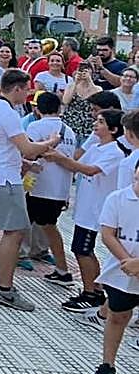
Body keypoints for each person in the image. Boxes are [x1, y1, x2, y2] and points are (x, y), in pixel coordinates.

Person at [0, 68, 64, 313]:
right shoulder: (9, 113)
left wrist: (24, 163)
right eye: (27, 89)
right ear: (16, 89)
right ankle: (5, 288)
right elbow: (28, 148)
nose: (29, 93)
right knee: (15, 232)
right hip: (6, 182)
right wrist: (51, 143)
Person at [45, 110, 130, 317]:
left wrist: (58, 158)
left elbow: (89, 170)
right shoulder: (97, 146)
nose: (95, 124)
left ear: (113, 129)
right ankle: (93, 289)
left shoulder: (115, 152)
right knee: (81, 249)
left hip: (96, 211)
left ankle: (91, 292)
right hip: (85, 208)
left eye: (100, 122)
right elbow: (77, 161)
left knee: (83, 249)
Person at [89, 162, 139, 374]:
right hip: (122, 271)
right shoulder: (118, 199)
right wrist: (128, 262)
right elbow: (108, 234)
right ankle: (107, 363)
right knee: (118, 315)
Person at [23, 92, 78, 289]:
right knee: (50, 227)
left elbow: (29, 152)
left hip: (38, 188)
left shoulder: (35, 127)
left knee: (16, 228)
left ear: (37, 109)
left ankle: (6, 269)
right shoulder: (69, 131)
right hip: (60, 189)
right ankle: (62, 270)